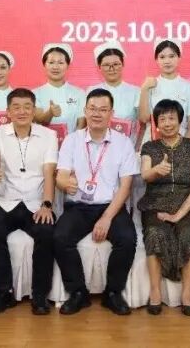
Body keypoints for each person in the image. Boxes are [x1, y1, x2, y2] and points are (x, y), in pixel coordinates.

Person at [54, 89, 138, 316]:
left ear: (112, 113)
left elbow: (126, 186)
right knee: (60, 237)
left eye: (103, 109)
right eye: (92, 108)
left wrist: (107, 218)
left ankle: (113, 293)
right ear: (85, 110)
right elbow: (61, 175)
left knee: (127, 239)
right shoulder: (72, 140)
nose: (97, 114)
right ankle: (78, 293)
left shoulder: (123, 143)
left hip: (111, 206)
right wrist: (65, 183)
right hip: (79, 206)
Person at [0, 88, 58, 316]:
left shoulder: (48, 135)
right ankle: (3, 293)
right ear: (8, 111)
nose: (22, 111)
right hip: (7, 200)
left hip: (36, 202)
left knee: (46, 232)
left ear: (34, 111)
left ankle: (40, 295)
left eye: (27, 107)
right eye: (16, 107)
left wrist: (46, 205)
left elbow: (49, 172)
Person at [138, 99, 190, 316]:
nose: (167, 123)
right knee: (154, 233)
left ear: (180, 121)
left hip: (187, 204)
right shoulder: (150, 147)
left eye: (171, 118)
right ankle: (155, 292)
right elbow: (145, 175)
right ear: (156, 123)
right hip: (155, 204)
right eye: (162, 119)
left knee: (189, 234)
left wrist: (178, 215)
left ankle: (186, 294)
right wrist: (156, 170)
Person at [138, 39, 190, 142]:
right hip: (153, 143)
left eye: (172, 56)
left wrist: (182, 148)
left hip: (181, 143)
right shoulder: (149, 85)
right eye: (162, 57)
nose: (167, 61)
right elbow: (144, 119)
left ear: (179, 58)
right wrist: (144, 89)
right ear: (156, 60)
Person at [84, 40, 141, 146]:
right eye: (106, 65)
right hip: (97, 147)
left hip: (127, 147)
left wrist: (138, 147)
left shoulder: (135, 91)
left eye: (116, 64)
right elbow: (86, 124)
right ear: (99, 67)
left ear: (123, 64)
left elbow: (143, 124)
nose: (112, 69)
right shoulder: (91, 91)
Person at [33, 43, 85, 139]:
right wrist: (50, 113)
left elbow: (81, 125)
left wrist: (73, 143)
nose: (55, 67)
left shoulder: (79, 93)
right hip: (43, 145)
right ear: (44, 65)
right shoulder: (35, 94)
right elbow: (39, 120)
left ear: (68, 65)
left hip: (72, 144)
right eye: (51, 62)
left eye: (61, 63)